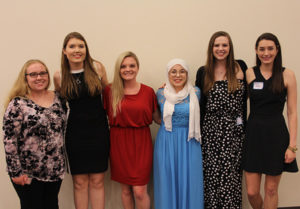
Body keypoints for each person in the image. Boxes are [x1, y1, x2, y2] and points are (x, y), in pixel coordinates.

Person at [54, 32, 109, 209]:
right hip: (75, 135)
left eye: (81, 46)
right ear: (64, 51)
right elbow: (58, 104)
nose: (77, 50)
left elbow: (110, 94)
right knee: (79, 183)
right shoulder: (59, 76)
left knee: (98, 181)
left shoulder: (97, 68)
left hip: (99, 132)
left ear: (86, 49)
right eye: (72, 46)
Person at [242, 33, 298, 209]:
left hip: (276, 135)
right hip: (254, 135)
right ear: (256, 51)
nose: (266, 53)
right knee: (252, 192)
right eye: (262, 49)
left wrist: (292, 146)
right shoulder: (249, 73)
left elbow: (292, 112)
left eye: (270, 48)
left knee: (271, 190)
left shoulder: (287, 75)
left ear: (277, 50)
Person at [3, 59, 67, 209]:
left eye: (42, 73)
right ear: (25, 78)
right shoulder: (18, 104)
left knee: (52, 205)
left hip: (54, 169)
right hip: (28, 172)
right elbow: (9, 140)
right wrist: (15, 172)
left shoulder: (59, 98)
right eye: (33, 74)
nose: (39, 77)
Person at [195, 31, 247, 208]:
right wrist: (167, 87)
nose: (220, 49)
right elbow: (196, 100)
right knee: (212, 177)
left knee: (231, 177)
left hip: (234, 132)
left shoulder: (241, 67)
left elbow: (248, 99)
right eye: (216, 45)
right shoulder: (203, 72)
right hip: (211, 132)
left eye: (224, 45)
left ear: (230, 47)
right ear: (211, 48)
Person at [103, 51, 159, 209]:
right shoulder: (109, 91)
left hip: (141, 142)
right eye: (123, 66)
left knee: (139, 190)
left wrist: (170, 94)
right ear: (118, 69)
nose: (128, 69)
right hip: (118, 142)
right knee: (126, 190)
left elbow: (158, 118)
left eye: (132, 65)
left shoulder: (148, 92)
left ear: (138, 68)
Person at [153, 59, 204, 209]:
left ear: (187, 74)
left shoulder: (196, 92)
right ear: (168, 74)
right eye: (173, 72)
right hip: (167, 141)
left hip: (190, 140)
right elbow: (156, 118)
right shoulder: (161, 93)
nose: (178, 75)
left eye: (182, 71)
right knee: (167, 180)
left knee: (190, 180)